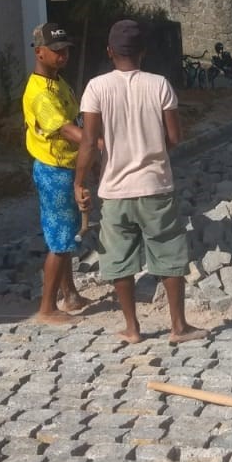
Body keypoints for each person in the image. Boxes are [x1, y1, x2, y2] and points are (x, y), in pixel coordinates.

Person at [74, 20, 205, 345]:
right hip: (155, 186)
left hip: (115, 191)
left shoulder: (96, 87)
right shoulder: (160, 85)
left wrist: (79, 181)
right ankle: (179, 327)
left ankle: (132, 328)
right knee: (169, 255)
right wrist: (153, 149)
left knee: (119, 260)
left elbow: (89, 142)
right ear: (143, 52)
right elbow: (174, 136)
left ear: (109, 52)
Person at [23, 22, 87, 324]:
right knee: (60, 241)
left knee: (66, 234)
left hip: (65, 166)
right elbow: (66, 128)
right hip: (54, 170)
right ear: (40, 52)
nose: (63, 56)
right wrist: (98, 143)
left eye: (66, 50)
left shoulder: (58, 82)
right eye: (57, 51)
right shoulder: (40, 94)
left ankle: (70, 294)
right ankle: (47, 307)